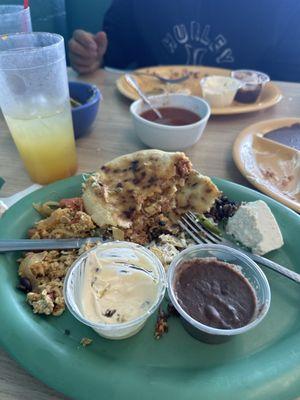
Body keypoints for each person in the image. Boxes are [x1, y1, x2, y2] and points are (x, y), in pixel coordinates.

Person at [68, 0, 300, 82]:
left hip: (244, 121)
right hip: (152, 112)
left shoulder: (284, 6)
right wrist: (92, 55)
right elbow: (113, 53)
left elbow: (289, 86)